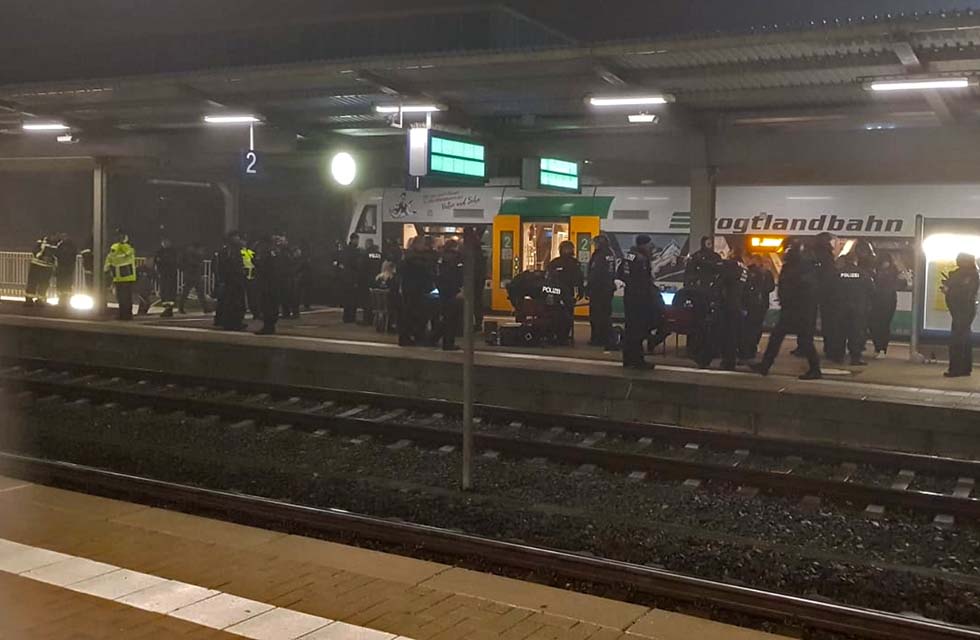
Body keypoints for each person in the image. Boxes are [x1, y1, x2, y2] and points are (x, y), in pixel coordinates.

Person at [751, 239, 821, 380]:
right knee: (779, 337)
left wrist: (790, 301)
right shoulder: (798, 266)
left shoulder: (798, 268)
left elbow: (800, 289)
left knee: (801, 340)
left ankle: (815, 369)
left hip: (797, 310)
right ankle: (765, 365)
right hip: (795, 309)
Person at [618, 235, 663, 370]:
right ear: (643, 245)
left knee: (630, 329)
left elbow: (621, 274)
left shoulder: (628, 256)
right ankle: (638, 360)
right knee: (638, 331)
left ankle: (628, 359)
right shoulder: (641, 259)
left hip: (629, 297)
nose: (651, 247)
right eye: (649, 245)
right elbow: (644, 282)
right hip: (640, 299)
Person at [698, 256, 747, 370]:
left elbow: (717, 271)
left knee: (716, 333)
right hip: (735, 306)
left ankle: (705, 359)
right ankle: (729, 361)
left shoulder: (732, 269)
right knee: (731, 336)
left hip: (726, 306)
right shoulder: (743, 271)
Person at [683, 236, 723, 360]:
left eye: (710, 243)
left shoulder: (715, 257)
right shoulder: (696, 257)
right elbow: (689, 274)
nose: (709, 245)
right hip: (699, 295)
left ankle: (708, 348)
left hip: (711, 295)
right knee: (698, 322)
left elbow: (720, 273)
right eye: (707, 243)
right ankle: (695, 348)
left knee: (710, 323)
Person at [832, 251, 874, 366]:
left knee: (840, 333)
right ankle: (855, 358)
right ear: (856, 261)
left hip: (840, 308)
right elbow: (871, 290)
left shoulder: (838, 273)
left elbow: (831, 290)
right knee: (856, 333)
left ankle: (838, 357)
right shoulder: (863, 274)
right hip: (858, 309)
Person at [942, 253, 979, 378]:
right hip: (965, 309)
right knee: (964, 338)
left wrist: (949, 290)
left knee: (957, 339)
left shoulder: (968, 275)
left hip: (962, 310)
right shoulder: (972, 274)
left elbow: (963, 292)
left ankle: (956, 368)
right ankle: (965, 368)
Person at [545, 240, 584, 346]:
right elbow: (579, 279)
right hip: (567, 294)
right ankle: (564, 336)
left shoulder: (554, 262)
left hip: (556, 294)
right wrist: (581, 291)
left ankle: (556, 335)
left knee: (555, 315)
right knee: (567, 316)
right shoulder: (574, 263)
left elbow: (547, 278)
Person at [811, 232, 841, 360]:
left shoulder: (814, 256)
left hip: (816, 295)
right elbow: (831, 277)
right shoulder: (828, 258)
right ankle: (832, 350)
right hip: (830, 297)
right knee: (831, 324)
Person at [398, 237, 433, 346]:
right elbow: (424, 270)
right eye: (423, 244)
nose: (424, 246)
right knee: (414, 314)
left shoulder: (407, 256)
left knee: (412, 314)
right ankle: (413, 337)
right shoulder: (415, 258)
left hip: (411, 288)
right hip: (414, 289)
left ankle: (410, 336)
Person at [740, 254, 775, 361]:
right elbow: (771, 287)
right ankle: (753, 347)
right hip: (762, 304)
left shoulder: (748, 272)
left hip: (751, 304)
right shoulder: (767, 273)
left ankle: (747, 351)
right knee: (757, 327)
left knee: (748, 328)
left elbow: (744, 288)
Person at [433, 239, 464, 351]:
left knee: (446, 316)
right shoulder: (456, 258)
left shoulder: (441, 258)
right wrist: (460, 289)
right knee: (452, 319)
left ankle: (435, 338)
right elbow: (458, 275)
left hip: (443, 291)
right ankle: (447, 342)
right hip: (453, 291)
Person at [587, 234, 617, 349]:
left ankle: (598, 338)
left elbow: (595, 273)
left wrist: (589, 287)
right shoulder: (610, 254)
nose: (594, 246)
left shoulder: (600, 255)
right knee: (605, 315)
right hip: (608, 289)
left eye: (595, 243)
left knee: (596, 315)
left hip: (598, 290)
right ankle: (606, 337)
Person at [253, 235, 285, 335]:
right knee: (272, 305)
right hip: (274, 282)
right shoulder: (275, 252)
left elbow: (263, 267)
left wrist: (255, 261)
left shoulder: (267, 252)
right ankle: (270, 326)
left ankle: (268, 326)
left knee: (267, 305)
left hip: (267, 283)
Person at [216, 231, 247, 331]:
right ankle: (232, 322)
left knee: (234, 302)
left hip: (235, 279)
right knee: (232, 302)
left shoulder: (232, 250)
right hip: (232, 279)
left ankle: (234, 322)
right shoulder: (229, 251)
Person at [870, 254, 900, 358]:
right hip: (887, 301)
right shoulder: (894, 271)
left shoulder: (876, 272)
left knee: (880, 326)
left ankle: (881, 348)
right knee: (881, 326)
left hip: (881, 301)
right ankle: (880, 348)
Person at [103, 230, 137, 321]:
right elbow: (110, 258)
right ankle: (123, 314)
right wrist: (106, 269)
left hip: (127, 276)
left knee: (126, 297)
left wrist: (122, 244)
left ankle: (127, 315)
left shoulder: (128, 247)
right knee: (121, 297)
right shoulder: (114, 247)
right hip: (118, 277)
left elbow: (128, 253)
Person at [178, 242, 211, 314]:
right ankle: (181, 307)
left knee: (196, 292)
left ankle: (205, 308)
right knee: (190, 292)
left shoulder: (190, 253)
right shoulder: (192, 254)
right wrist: (199, 263)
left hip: (192, 275)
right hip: (192, 275)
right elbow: (192, 263)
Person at [24, 234, 57, 306]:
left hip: (41, 265)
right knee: (38, 283)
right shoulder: (50, 242)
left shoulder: (47, 242)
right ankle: (33, 300)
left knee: (40, 283)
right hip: (40, 266)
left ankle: (34, 300)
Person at [154, 238, 179, 318]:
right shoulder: (160, 252)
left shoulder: (172, 252)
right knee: (164, 292)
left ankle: (168, 309)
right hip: (164, 274)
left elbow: (173, 262)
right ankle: (167, 308)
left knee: (169, 292)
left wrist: (162, 261)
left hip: (170, 275)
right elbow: (156, 261)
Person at [360, 239, 383, 324]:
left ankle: (367, 319)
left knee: (367, 301)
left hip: (367, 280)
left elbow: (362, 268)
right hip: (377, 280)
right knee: (376, 301)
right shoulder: (379, 255)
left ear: (368, 244)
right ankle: (375, 319)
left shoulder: (366, 254)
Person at [340, 233, 362, 323]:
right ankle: (351, 317)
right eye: (356, 240)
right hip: (352, 277)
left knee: (347, 298)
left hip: (346, 277)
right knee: (352, 299)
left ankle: (347, 317)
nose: (357, 241)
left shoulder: (346, 250)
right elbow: (355, 264)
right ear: (353, 240)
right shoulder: (354, 251)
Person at [53, 233, 77, 307]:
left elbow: (56, 254)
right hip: (68, 268)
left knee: (62, 284)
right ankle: (65, 300)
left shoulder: (60, 245)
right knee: (66, 284)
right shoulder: (72, 245)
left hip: (62, 267)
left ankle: (63, 300)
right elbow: (74, 255)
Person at [241, 242, 258, 319]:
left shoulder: (245, 252)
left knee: (251, 295)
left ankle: (254, 311)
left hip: (248, 276)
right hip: (250, 276)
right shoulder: (249, 252)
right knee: (252, 295)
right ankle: (255, 312)